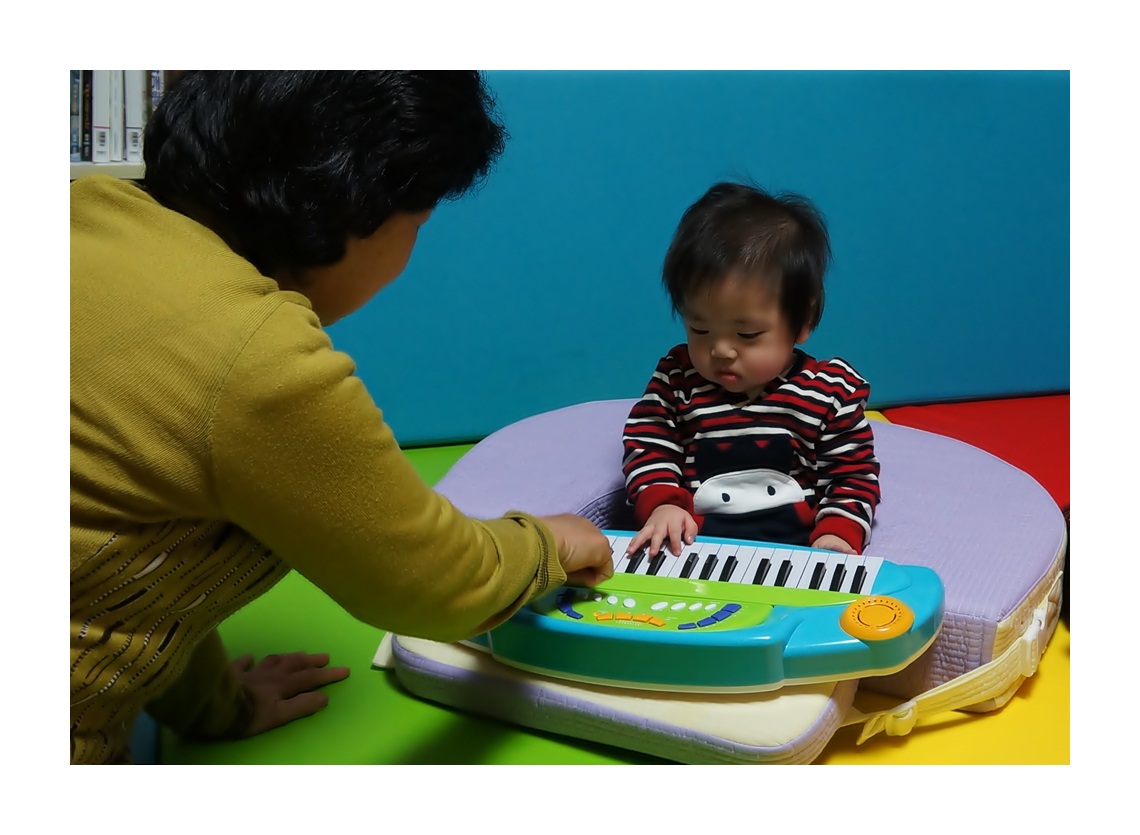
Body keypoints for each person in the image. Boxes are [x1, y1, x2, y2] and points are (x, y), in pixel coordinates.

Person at [70, 71, 614, 765]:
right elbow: (436, 582)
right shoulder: (257, 357)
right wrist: (550, 544)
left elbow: (135, 522)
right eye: (417, 224)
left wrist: (211, 705)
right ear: (358, 205)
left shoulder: (87, 212)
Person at [621, 181, 881, 560]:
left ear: (803, 321)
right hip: (694, 552)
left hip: (794, 555)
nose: (721, 350)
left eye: (747, 334)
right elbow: (648, 445)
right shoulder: (677, 380)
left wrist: (837, 533)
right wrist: (663, 505)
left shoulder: (828, 393)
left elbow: (852, 474)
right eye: (699, 329)